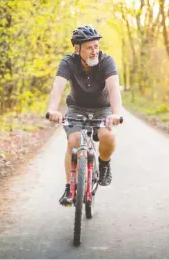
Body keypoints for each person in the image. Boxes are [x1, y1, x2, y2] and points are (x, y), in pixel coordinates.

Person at [46, 25, 123, 206]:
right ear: (77, 49)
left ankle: (104, 164)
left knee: (108, 136)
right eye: (89, 47)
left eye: (96, 46)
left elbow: (113, 88)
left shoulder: (107, 61)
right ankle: (69, 188)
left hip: (102, 109)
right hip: (77, 108)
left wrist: (116, 113)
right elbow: (58, 87)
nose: (94, 51)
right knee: (73, 141)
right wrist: (52, 109)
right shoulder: (68, 62)